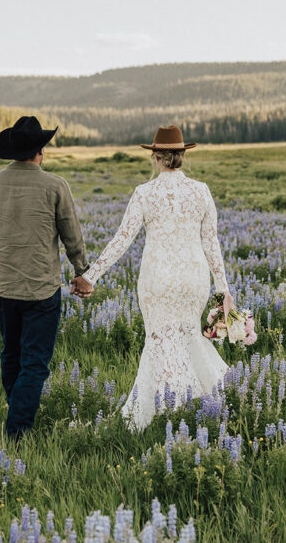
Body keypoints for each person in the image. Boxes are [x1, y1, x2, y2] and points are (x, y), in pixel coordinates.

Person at [71, 125, 233, 430]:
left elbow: (122, 239)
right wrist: (223, 289)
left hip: (156, 281)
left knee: (160, 344)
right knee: (189, 339)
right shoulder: (201, 191)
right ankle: (204, 404)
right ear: (183, 156)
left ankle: (158, 415)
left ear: (156, 158)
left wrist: (90, 276)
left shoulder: (144, 193)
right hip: (192, 280)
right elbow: (212, 243)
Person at [0, 115, 90, 440]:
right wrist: (82, 274)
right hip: (42, 290)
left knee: (11, 353)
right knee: (34, 362)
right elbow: (72, 237)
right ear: (40, 152)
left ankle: (18, 407)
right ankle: (17, 431)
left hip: (3, 288)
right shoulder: (56, 185)